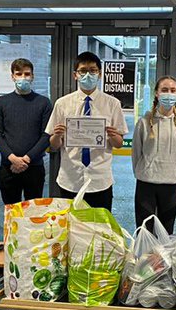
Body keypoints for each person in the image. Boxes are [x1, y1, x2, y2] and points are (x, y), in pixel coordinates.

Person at [48, 52, 127, 210]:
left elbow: (118, 144)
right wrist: (57, 135)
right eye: (83, 71)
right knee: (71, 229)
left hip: (100, 180)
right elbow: (54, 146)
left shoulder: (112, 104)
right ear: (75, 75)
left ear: (100, 74)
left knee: (99, 230)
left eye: (93, 70)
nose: (88, 75)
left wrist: (113, 136)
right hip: (69, 179)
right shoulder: (62, 104)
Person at [131, 75, 176, 233]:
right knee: (144, 230)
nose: (169, 94)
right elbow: (136, 154)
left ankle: (163, 259)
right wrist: (144, 170)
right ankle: (143, 258)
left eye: (173, 90)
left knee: (166, 231)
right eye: (164, 90)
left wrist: (175, 168)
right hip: (146, 184)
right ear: (157, 93)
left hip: (171, 185)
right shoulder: (144, 122)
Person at [0, 57, 52, 204]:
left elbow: (46, 135)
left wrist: (26, 159)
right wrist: (13, 159)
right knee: (11, 215)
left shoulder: (43, 102)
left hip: (34, 168)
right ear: (12, 76)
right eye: (19, 74)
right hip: (8, 167)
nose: (23, 78)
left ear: (32, 77)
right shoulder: (2, 102)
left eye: (27, 74)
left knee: (33, 215)